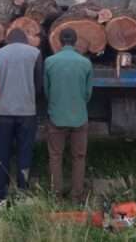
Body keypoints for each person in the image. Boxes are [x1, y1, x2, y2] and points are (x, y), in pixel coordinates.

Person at [0, 28, 43, 209]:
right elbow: (38, 84)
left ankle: (1, 197)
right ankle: (22, 195)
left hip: (4, 111)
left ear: (8, 40)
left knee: (2, 154)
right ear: (25, 40)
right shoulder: (35, 53)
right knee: (25, 153)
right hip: (27, 112)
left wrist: (3, 98)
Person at [44, 28, 93, 204]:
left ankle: (56, 196)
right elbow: (88, 94)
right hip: (79, 116)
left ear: (59, 41)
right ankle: (76, 196)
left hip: (56, 116)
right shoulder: (85, 63)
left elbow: (47, 91)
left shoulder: (49, 62)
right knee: (79, 157)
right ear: (75, 41)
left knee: (55, 156)